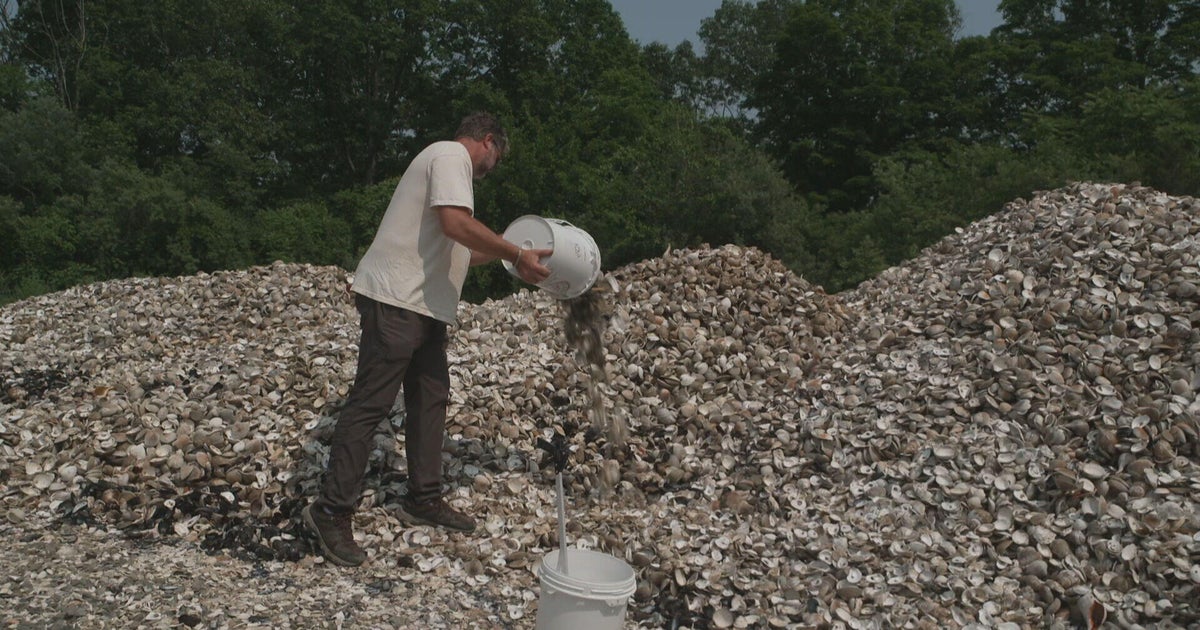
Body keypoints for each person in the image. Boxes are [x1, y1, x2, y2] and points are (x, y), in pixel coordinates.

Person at [303, 112, 552, 567]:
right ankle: (331, 510)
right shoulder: (451, 156)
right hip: (397, 299)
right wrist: (515, 251)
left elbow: (461, 246)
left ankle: (424, 497)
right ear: (488, 141)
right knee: (371, 404)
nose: (492, 168)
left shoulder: (446, 169)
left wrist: (511, 256)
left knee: (430, 398)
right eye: (496, 157)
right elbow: (457, 225)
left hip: (424, 307)